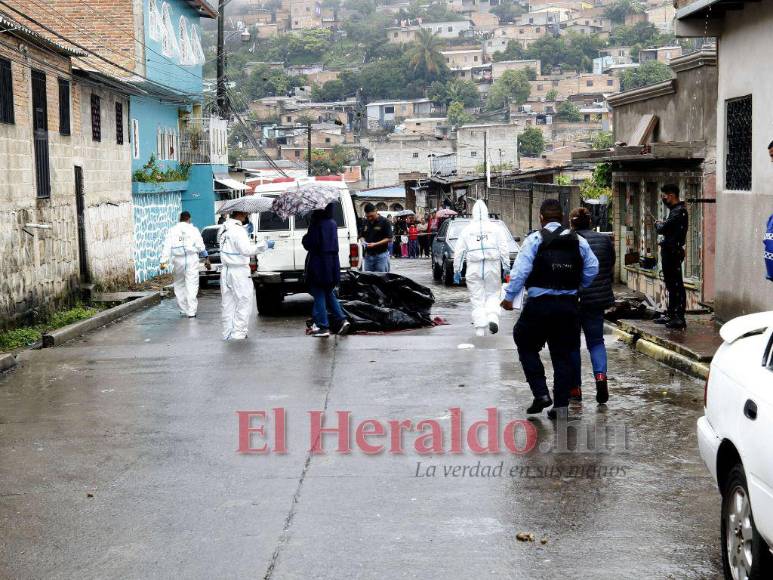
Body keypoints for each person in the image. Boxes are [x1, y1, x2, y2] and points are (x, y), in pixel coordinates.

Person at [501, 199, 599, 421]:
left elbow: (520, 271)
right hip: (568, 306)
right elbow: (593, 268)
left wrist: (509, 298)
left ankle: (541, 393)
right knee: (563, 354)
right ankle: (561, 406)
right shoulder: (579, 241)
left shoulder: (534, 239)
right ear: (563, 218)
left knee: (524, 341)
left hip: (539, 305)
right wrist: (578, 286)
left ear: (541, 218)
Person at [568, 207, 614, 405]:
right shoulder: (604, 240)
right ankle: (601, 377)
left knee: (572, 344)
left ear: (572, 223)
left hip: (574, 299)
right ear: (590, 222)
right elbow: (610, 264)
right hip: (597, 299)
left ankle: (575, 388)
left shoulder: (569, 241)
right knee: (596, 342)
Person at [453, 200, 511, 337]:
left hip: (474, 266)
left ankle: (480, 329)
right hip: (492, 265)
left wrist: (457, 270)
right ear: (486, 212)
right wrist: (506, 267)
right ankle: (493, 318)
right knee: (493, 294)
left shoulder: (467, 230)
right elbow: (503, 248)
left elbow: (459, 251)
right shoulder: (496, 229)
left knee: (476, 297)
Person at [218, 211, 273, 340]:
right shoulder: (238, 230)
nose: (247, 216)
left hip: (226, 270)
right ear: (240, 214)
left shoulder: (223, 228)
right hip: (239, 271)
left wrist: (245, 233)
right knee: (243, 301)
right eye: (246, 214)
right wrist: (264, 245)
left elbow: (232, 246)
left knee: (228, 304)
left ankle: (228, 333)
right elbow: (247, 250)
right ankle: (239, 333)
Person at [302, 204, 351, 338]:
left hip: (319, 263)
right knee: (328, 293)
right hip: (332, 263)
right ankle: (342, 320)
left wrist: (306, 236)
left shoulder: (316, 223)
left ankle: (323, 327)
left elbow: (310, 243)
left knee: (318, 293)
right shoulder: (332, 223)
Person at [160, 211, 207, 318]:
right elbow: (200, 246)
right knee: (192, 285)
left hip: (178, 260)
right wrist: (206, 257)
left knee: (179, 285)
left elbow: (167, 247)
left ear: (179, 219)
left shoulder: (172, 230)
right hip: (191, 259)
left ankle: (183, 309)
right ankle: (191, 312)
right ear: (189, 219)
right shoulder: (193, 230)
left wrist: (163, 262)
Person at [654, 184, 689, 330]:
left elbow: (664, 228)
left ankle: (678, 317)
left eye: (664, 196)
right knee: (670, 284)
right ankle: (671, 314)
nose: (663, 199)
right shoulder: (675, 211)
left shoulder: (678, 212)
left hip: (673, 252)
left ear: (671, 195)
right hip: (669, 251)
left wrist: (658, 225)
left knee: (676, 285)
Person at [361, 203, 393, 272]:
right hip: (368, 256)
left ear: (376, 211)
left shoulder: (385, 222)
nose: (369, 218)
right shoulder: (365, 221)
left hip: (381, 256)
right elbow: (362, 235)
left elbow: (389, 238)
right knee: (368, 277)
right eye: (367, 216)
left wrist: (375, 244)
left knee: (381, 277)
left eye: (371, 216)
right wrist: (363, 241)